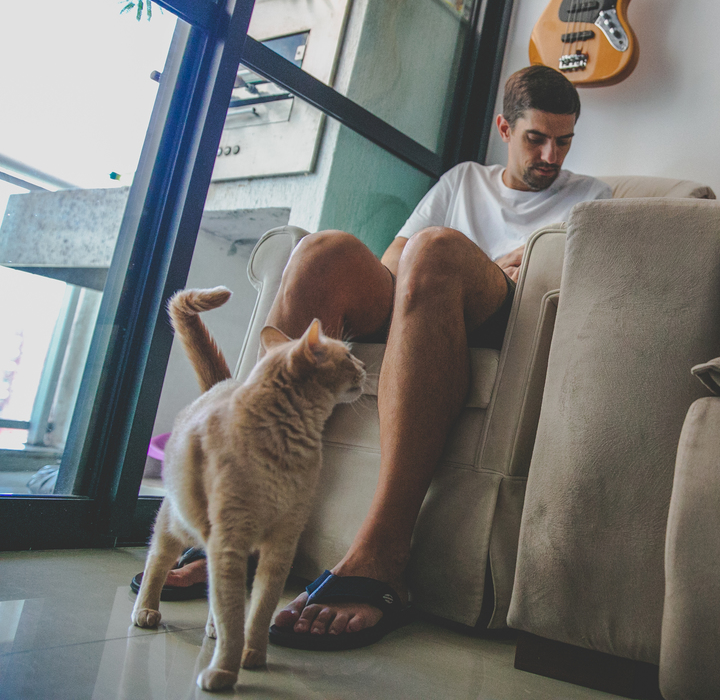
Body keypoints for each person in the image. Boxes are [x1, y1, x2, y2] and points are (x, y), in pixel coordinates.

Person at [141, 65, 611, 649]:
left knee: (436, 249)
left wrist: (476, 261)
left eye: (563, 141)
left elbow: (566, 284)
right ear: (503, 128)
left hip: (499, 315)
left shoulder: (593, 197)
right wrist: (413, 271)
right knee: (324, 251)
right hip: (418, 292)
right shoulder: (464, 179)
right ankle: (245, 517)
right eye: (535, 138)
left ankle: (383, 551)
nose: (551, 154)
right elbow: (394, 257)